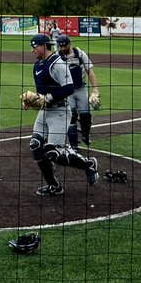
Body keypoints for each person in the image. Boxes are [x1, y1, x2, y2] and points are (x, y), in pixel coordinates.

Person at [27, 33, 98, 197]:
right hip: (45, 112)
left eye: (34, 46)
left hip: (60, 112)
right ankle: (54, 186)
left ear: (44, 46)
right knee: (36, 146)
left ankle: (89, 164)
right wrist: (31, 102)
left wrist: (48, 98)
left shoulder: (58, 64)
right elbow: (42, 95)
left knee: (54, 153)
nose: (32, 50)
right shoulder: (38, 65)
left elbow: (69, 89)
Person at [56, 35, 100, 149]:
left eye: (64, 46)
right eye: (60, 46)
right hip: (67, 90)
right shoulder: (57, 56)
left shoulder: (80, 54)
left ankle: (85, 134)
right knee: (72, 116)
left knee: (86, 115)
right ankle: (73, 145)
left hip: (81, 88)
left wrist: (95, 88)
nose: (63, 48)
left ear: (69, 44)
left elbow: (90, 71)